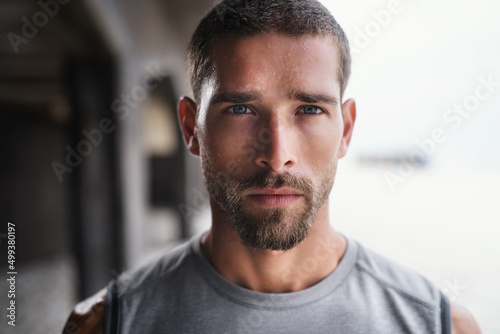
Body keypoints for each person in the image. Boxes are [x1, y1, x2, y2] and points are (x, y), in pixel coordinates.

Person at [63, 0, 482, 333]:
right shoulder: (107, 324)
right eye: (241, 108)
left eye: (310, 109)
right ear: (191, 128)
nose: (277, 153)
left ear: (347, 129)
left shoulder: (439, 325)